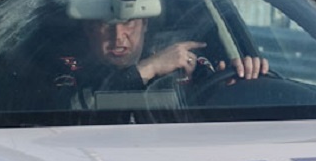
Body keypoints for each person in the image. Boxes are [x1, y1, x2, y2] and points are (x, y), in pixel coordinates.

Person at [56, 15, 267, 99]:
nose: (118, 36)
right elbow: (72, 110)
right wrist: (149, 69)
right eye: (106, 24)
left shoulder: (186, 65)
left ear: (145, 24)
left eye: (129, 22)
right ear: (89, 28)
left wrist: (241, 79)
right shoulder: (66, 71)